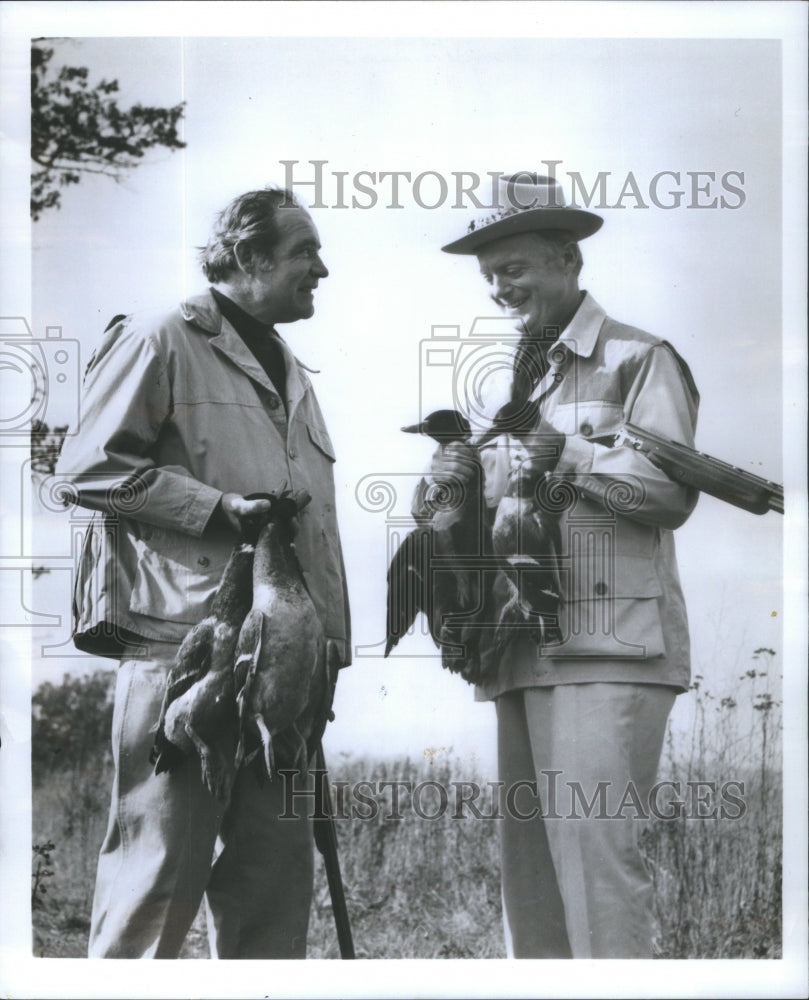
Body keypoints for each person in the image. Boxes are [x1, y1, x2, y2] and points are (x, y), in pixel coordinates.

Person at [55, 187, 351, 959]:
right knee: (157, 885)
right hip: (185, 653)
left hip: (285, 679)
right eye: (305, 252)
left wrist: (326, 655)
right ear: (248, 256)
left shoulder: (293, 373)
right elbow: (87, 470)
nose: (321, 270)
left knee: (272, 897)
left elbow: (314, 533)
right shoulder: (160, 339)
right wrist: (218, 508)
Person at [426, 173, 699, 958]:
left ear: (567, 259)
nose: (498, 289)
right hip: (515, 653)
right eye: (488, 275)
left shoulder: (639, 358)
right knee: (532, 882)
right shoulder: (501, 384)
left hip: (607, 651)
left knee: (596, 870)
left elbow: (669, 494)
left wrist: (570, 453)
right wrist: (447, 487)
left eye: (511, 268)